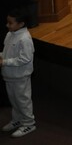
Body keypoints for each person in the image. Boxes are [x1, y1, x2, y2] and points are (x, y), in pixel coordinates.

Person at [1, 7, 36, 138]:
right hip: (9, 75)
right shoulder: (10, 34)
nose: (7, 25)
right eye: (7, 22)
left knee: (22, 100)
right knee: (13, 100)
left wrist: (4, 62)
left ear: (21, 24)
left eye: (10, 23)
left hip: (20, 76)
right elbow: (7, 52)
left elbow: (25, 58)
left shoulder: (25, 39)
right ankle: (18, 120)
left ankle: (29, 123)